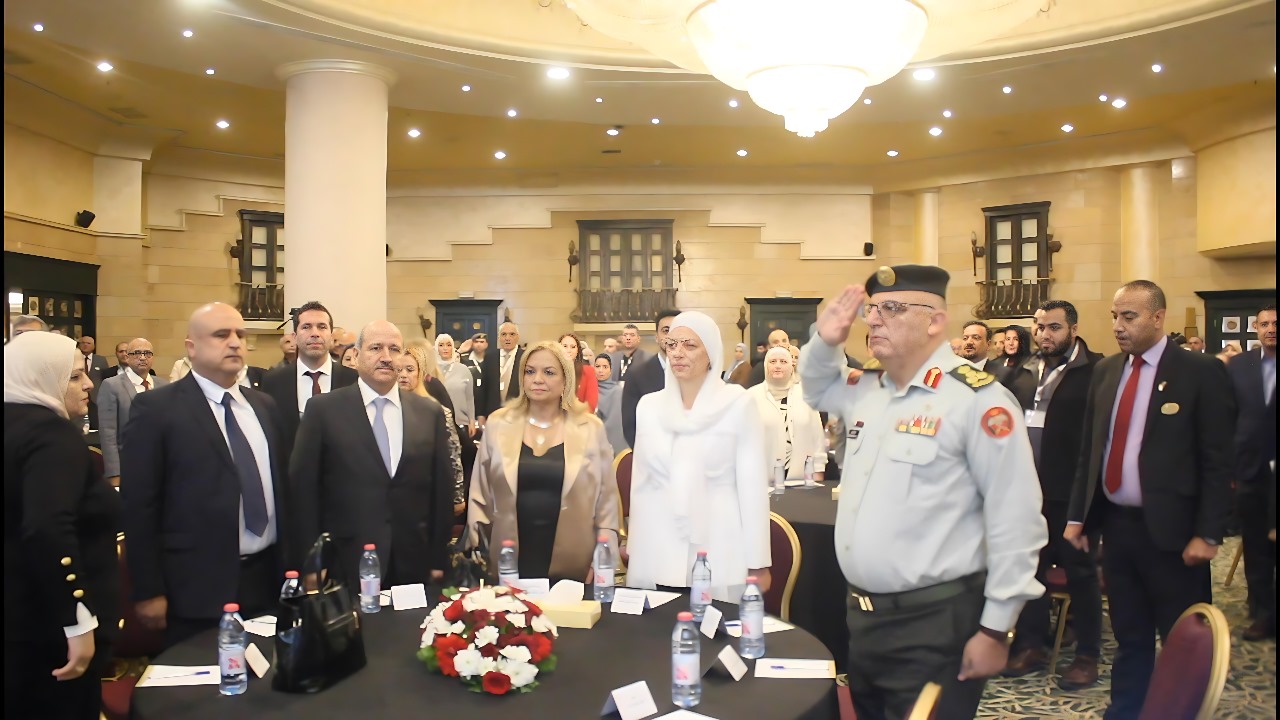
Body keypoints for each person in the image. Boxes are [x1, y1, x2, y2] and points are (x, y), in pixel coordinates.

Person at [800, 265, 1047, 720]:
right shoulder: (868, 388)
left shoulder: (976, 400)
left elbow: (1016, 518)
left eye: (892, 308)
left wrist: (996, 629)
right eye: (872, 309)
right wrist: (826, 342)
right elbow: (815, 388)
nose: (874, 319)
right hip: (863, 617)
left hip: (935, 622)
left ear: (935, 320)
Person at [1065, 280, 1235, 719]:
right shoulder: (1107, 371)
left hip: (1176, 534)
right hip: (1118, 529)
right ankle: (1125, 710)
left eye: (1129, 316)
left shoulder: (1199, 372)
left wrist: (1208, 533)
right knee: (1130, 634)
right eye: (1114, 317)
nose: (1118, 326)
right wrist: (1078, 517)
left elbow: (1218, 461)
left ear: (1158, 317)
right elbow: (1091, 452)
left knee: (1182, 639)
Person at [121, 302, 289, 645]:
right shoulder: (157, 409)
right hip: (195, 587)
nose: (235, 342)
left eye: (240, 334)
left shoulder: (264, 406)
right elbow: (139, 506)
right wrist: (148, 589)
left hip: (267, 579)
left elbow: (283, 490)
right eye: (221, 335)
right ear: (192, 347)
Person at [4, 331, 120, 719]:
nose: (88, 384)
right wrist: (78, 622)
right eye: (73, 376)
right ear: (40, 378)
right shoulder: (51, 435)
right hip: (51, 636)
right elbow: (48, 528)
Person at [291, 321, 455, 587]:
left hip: (414, 561)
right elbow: (303, 490)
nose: (386, 357)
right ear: (356, 355)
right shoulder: (324, 410)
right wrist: (312, 561)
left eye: (394, 349)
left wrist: (438, 559)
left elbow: (441, 490)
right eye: (376, 348)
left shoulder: (428, 412)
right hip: (345, 559)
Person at [627, 311, 771, 601]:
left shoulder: (737, 404)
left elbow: (752, 487)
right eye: (672, 345)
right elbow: (641, 485)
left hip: (719, 543)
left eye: (690, 345)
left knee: (714, 625)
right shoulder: (649, 407)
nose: (678, 353)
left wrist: (758, 561)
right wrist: (635, 548)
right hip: (658, 543)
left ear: (711, 353)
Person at [1002, 300, 1105, 688]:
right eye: (1039, 326)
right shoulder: (1024, 370)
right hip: (1027, 491)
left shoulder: (1095, 371)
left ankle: (1087, 655)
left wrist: (1088, 501)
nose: (1044, 334)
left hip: (1071, 493)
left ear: (1073, 330)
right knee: (1031, 569)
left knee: (1080, 573)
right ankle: (1032, 644)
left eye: (1054, 327)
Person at [467, 341, 621, 581]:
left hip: (575, 561)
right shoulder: (498, 423)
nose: (537, 379)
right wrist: (478, 548)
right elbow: (480, 493)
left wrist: (602, 560)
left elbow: (607, 501)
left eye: (549, 372)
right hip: (508, 558)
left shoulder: (590, 428)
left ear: (566, 379)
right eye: (530, 371)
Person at [1227, 305, 1277, 641]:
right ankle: (1262, 614)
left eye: (1276, 323)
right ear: (1256, 329)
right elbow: (1227, 415)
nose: (1271, 328)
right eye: (1265, 324)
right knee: (1256, 546)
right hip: (1250, 469)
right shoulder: (1240, 365)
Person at [260, 301, 358, 458]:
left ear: (331, 336)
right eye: (306, 327)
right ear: (294, 337)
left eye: (322, 327)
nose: (315, 333)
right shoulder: (273, 381)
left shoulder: (354, 380)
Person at [399, 344, 467, 515]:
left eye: (409, 370)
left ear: (420, 373)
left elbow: (453, 456)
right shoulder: (387, 410)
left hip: (429, 491)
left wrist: (457, 497)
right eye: (398, 370)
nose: (403, 375)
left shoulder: (437, 411)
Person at [98, 338, 168, 486]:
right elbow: (108, 433)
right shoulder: (112, 385)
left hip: (161, 465)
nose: (142, 357)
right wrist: (115, 472)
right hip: (128, 465)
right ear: (127, 357)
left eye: (147, 353)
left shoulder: (163, 385)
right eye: (137, 353)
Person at [749, 346, 825, 482]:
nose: (778, 366)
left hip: (802, 480)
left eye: (783, 362)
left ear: (791, 366)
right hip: (762, 481)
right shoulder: (751, 397)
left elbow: (817, 437)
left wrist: (818, 471)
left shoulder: (806, 395)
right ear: (766, 365)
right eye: (773, 361)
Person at [621, 309, 681, 448]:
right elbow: (630, 427)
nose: (671, 336)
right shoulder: (637, 375)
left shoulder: (695, 374)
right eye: (666, 331)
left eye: (677, 330)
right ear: (657, 337)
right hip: (652, 455)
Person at [435, 333, 479, 439]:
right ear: (436, 348)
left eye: (449, 345)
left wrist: (472, 421)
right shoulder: (431, 370)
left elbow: (469, 398)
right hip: (437, 423)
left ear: (453, 348)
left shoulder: (463, 369)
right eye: (441, 345)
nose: (445, 348)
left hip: (461, 423)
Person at [460, 332, 500, 424]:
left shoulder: (492, 360)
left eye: (482, 342)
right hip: (469, 401)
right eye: (476, 342)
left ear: (487, 344)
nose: (478, 344)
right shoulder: (464, 359)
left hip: (486, 401)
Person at [594, 354, 627, 456]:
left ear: (611, 370)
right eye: (597, 366)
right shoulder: (590, 390)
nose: (601, 370)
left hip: (612, 442)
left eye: (605, 367)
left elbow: (616, 422)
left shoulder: (618, 392)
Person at [559, 332, 600, 412]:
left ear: (578, 350)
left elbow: (590, 405)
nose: (569, 350)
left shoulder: (588, 371)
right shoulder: (551, 372)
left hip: (579, 417)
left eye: (573, 347)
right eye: (565, 346)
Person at [497, 322, 525, 403]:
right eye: (503, 334)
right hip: (494, 407)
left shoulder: (525, 356)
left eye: (512, 334)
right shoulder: (490, 357)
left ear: (518, 337)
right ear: (499, 337)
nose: (507, 338)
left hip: (517, 405)